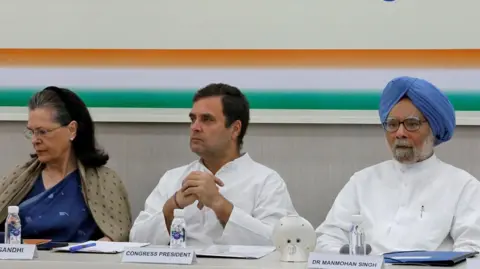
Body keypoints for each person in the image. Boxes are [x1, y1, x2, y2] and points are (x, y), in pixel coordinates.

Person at [316, 76, 480, 254]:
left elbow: (472, 250)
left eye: (412, 124)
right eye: (392, 124)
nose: (400, 133)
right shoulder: (362, 181)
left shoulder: (464, 186)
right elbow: (328, 236)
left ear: (433, 129)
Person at [130, 83, 297, 246]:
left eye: (207, 119)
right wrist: (172, 206)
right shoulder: (173, 178)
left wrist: (219, 205)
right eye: (193, 119)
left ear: (235, 129)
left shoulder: (267, 181)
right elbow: (136, 240)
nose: (195, 127)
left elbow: (281, 244)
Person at [0, 86, 132, 242]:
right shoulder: (19, 179)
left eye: (42, 132)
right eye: (32, 132)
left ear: (71, 129)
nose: (35, 140)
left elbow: (119, 235)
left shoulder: (105, 181)